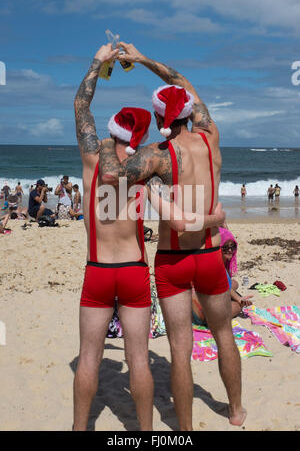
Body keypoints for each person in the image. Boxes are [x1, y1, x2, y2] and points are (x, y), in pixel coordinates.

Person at [99, 42, 246, 429]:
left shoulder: (157, 155)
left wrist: (113, 142)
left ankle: (183, 430)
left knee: (180, 352)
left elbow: (113, 177)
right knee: (223, 334)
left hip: (174, 262)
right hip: (211, 256)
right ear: (188, 113)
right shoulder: (211, 136)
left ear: (159, 116)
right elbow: (182, 82)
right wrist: (144, 59)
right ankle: (235, 412)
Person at [73, 43, 155, 432]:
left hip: (99, 269)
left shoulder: (93, 155)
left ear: (112, 130)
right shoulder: (146, 163)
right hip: (135, 269)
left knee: (89, 357)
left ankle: (79, 428)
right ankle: (145, 433)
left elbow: (81, 107)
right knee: (138, 359)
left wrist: (99, 60)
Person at [192, 227, 253, 325]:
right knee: (237, 306)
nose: (229, 250)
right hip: (202, 313)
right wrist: (239, 299)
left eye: (232, 247)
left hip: (195, 300)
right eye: (225, 247)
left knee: (234, 283)